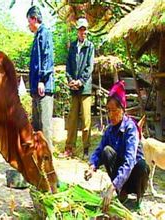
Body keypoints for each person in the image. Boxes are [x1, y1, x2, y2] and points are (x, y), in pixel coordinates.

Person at [84, 81, 150, 210]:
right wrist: (92, 166)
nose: (111, 115)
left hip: (134, 175)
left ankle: (138, 196)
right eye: (108, 110)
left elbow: (130, 161)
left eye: (114, 110)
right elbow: (99, 150)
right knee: (106, 151)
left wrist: (112, 186)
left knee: (142, 165)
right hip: (121, 178)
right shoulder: (110, 130)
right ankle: (122, 191)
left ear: (122, 110)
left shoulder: (131, 128)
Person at [63, 17, 94, 159]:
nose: (83, 32)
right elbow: (68, 66)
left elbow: (89, 67)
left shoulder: (90, 46)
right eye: (81, 29)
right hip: (73, 88)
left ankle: (86, 149)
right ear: (77, 31)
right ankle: (69, 148)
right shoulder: (72, 47)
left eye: (85, 29)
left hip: (85, 89)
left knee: (86, 120)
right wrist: (70, 80)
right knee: (72, 120)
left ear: (87, 31)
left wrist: (80, 82)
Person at [26, 6, 54, 151]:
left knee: (45, 126)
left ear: (34, 19)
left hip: (44, 87)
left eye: (29, 21)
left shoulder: (45, 34)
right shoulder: (37, 36)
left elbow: (47, 58)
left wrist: (43, 79)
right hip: (36, 89)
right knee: (36, 127)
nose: (28, 25)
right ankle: (38, 159)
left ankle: (49, 164)